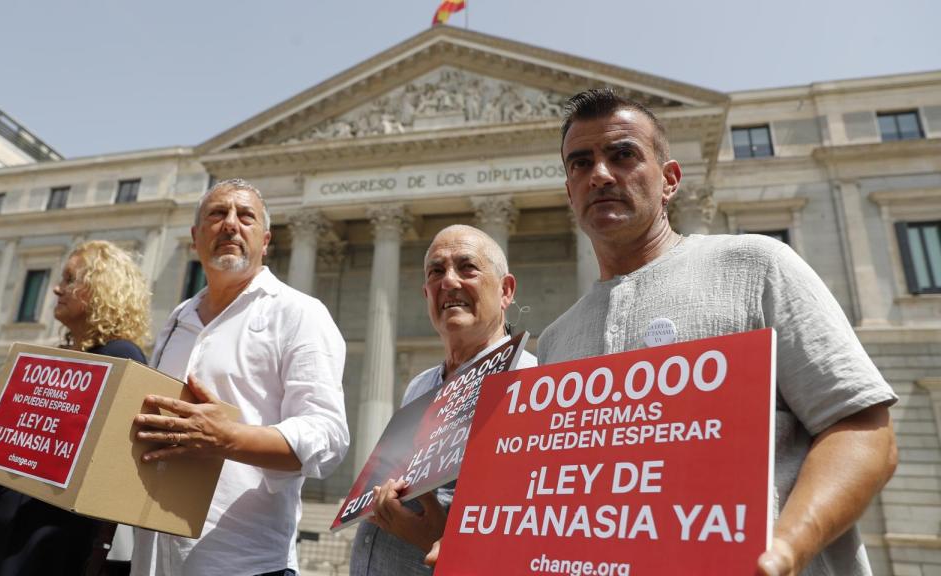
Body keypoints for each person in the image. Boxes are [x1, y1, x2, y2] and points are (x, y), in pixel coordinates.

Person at [536, 88, 898, 576]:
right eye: (580, 163)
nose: (599, 174)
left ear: (670, 181)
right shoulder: (556, 339)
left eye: (622, 155)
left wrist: (785, 549)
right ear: (569, 191)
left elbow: (864, 431)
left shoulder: (758, 266)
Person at [130, 179, 348, 576]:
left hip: (243, 563)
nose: (231, 224)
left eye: (245, 216)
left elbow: (328, 436)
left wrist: (227, 438)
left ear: (265, 240)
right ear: (196, 238)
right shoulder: (178, 319)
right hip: (153, 560)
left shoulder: (299, 314)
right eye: (217, 214)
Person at [0, 240, 151, 576]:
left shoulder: (122, 356)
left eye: (70, 279)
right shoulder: (52, 356)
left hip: (46, 536)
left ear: (101, 287)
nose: (57, 289)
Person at [350, 224, 537, 575]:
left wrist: (440, 537)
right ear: (426, 293)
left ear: (506, 290)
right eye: (436, 271)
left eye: (467, 267)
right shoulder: (421, 386)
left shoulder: (530, 387)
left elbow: (526, 529)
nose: (448, 282)